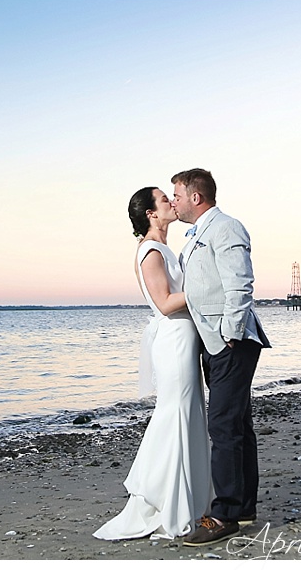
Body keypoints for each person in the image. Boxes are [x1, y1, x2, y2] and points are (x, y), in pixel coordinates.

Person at [93, 187, 212, 541]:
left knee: (187, 415)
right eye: (164, 200)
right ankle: (166, 501)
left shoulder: (163, 248)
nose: (171, 203)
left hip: (183, 338)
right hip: (174, 340)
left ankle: (186, 500)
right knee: (175, 414)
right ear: (150, 213)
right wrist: (208, 290)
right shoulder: (150, 251)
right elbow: (163, 302)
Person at [170, 168, 271, 547]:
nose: (174, 201)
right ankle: (243, 508)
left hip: (231, 341)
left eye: (177, 195)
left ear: (196, 197)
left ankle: (224, 513)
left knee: (225, 427)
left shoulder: (226, 227)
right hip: (215, 342)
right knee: (238, 425)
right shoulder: (199, 233)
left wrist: (229, 333)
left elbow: (240, 282)